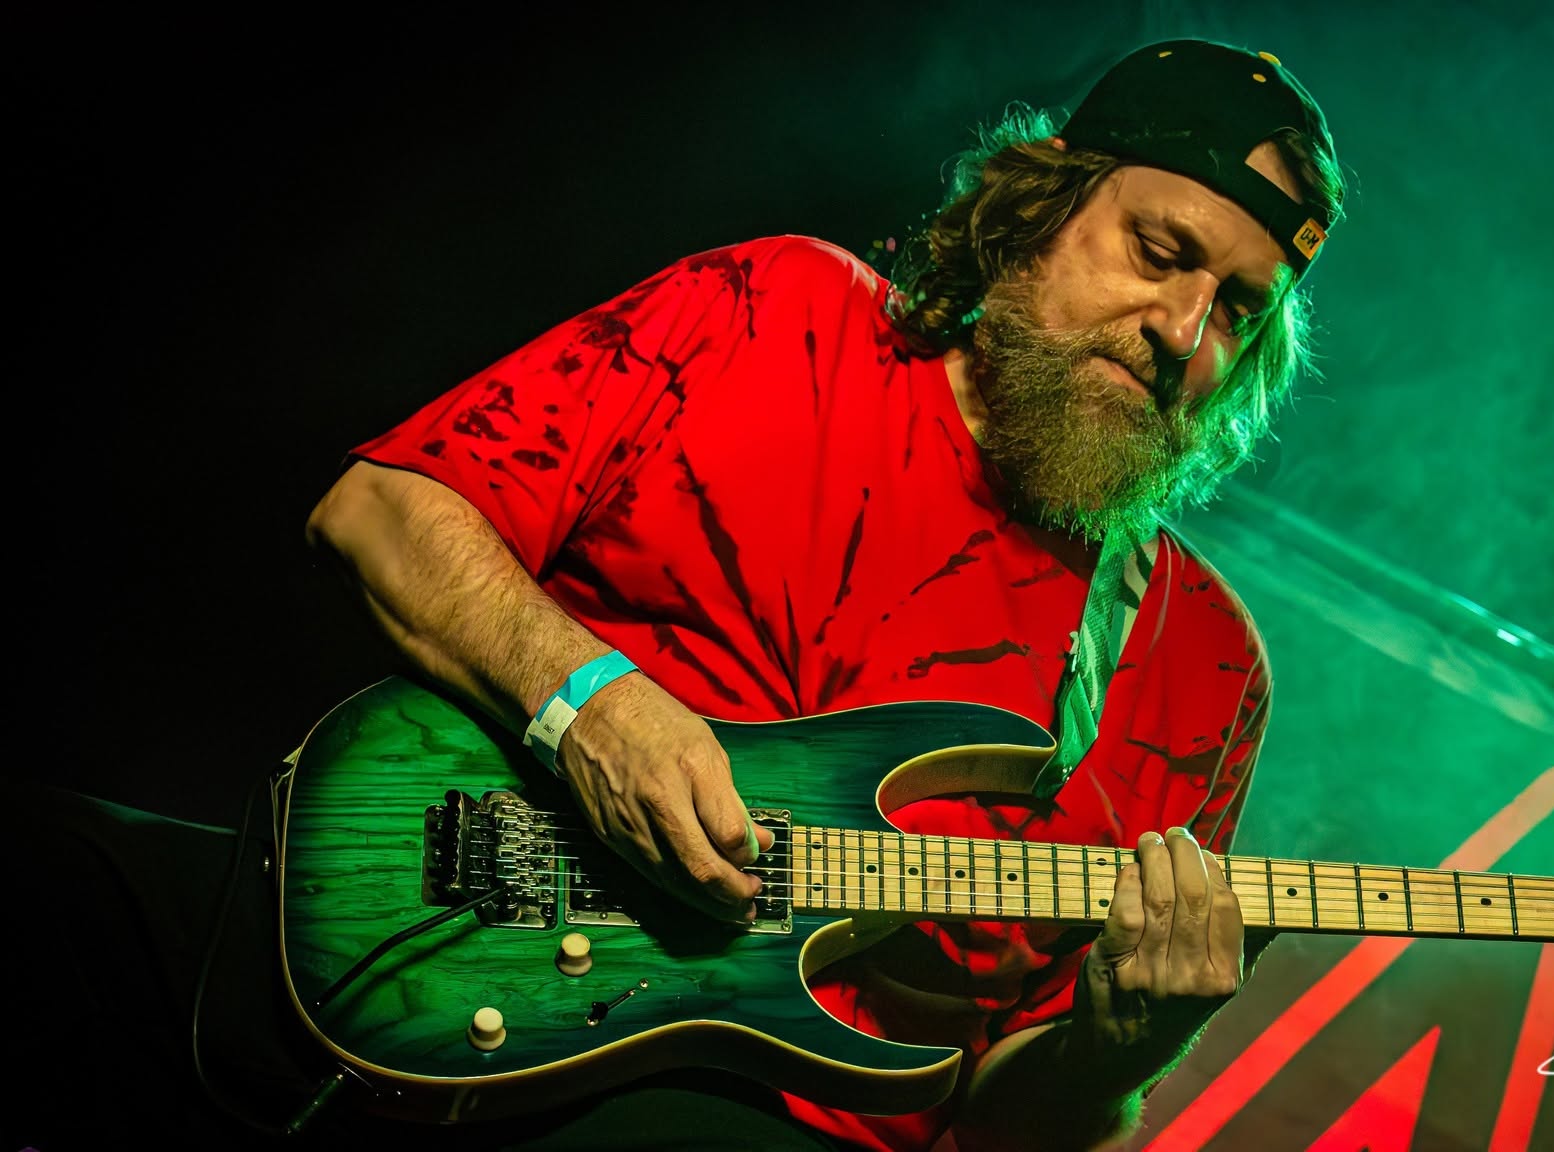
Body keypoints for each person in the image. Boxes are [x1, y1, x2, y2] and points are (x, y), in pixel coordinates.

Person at [302, 36, 1344, 1152]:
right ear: (1041, 207)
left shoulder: (1204, 662)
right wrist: (588, 705)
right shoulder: (779, 310)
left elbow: (1008, 1121)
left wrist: (1119, 1049)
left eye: (1237, 310)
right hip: (439, 965)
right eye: (1158, 251)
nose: (1182, 333)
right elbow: (378, 513)